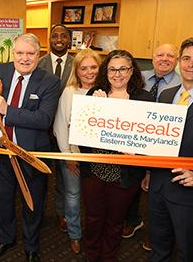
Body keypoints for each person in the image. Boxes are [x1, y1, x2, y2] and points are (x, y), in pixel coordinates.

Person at [0, 33, 60, 262]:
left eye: (30, 54)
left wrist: (8, 110)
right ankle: (7, 238)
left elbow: (43, 119)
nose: (24, 58)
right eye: (20, 53)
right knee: (3, 199)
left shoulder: (50, 82)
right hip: (1, 153)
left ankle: (31, 246)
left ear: (39, 55)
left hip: (31, 155)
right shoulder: (0, 70)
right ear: (13, 53)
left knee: (33, 203)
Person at [79, 50, 154, 262]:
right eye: (112, 69)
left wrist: (139, 152)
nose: (117, 74)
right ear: (106, 71)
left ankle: (109, 256)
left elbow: (150, 140)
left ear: (132, 71)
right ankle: (92, 255)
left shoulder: (144, 99)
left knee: (115, 221)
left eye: (123, 68)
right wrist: (97, 107)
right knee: (93, 218)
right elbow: (82, 134)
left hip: (126, 173)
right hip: (95, 170)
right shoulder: (95, 93)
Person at [143, 37, 193, 262]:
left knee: (188, 251)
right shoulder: (167, 96)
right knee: (159, 247)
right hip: (158, 187)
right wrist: (147, 170)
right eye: (186, 58)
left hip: (190, 192)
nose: (191, 64)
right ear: (180, 62)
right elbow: (156, 139)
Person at [122, 43, 181, 249]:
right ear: (152, 57)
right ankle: (132, 220)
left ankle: (156, 233)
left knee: (160, 191)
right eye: (160, 55)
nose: (164, 59)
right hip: (135, 139)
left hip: (164, 143)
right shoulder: (139, 77)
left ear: (177, 60)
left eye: (170, 55)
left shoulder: (184, 83)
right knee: (133, 181)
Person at [53, 49, 101, 254]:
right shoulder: (70, 91)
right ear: (77, 71)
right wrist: (68, 155)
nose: (89, 72)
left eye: (93, 67)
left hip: (98, 155)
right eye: (84, 68)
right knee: (73, 195)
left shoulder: (106, 91)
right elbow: (60, 125)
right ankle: (75, 234)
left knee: (96, 197)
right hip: (73, 151)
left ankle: (95, 235)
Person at [38, 24, 73, 233]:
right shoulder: (39, 63)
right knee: (40, 174)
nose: (58, 39)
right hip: (42, 129)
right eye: (54, 36)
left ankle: (62, 213)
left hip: (67, 130)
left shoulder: (77, 64)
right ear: (49, 39)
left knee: (64, 176)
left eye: (63, 36)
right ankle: (38, 212)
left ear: (69, 40)